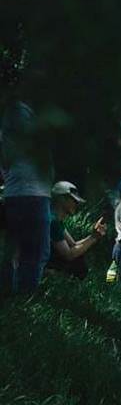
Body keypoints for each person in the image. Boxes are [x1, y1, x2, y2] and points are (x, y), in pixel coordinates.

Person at [1, 101, 54, 294]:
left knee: (18, 248)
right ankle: (24, 298)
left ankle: (11, 295)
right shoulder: (19, 113)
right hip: (33, 194)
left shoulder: (7, 135)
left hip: (18, 193)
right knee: (35, 250)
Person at [46, 181, 106, 280]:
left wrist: (94, 235)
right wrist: (92, 238)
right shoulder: (52, 222)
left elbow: (73, 245)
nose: (76, 204)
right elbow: (68, 255)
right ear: (61, 199)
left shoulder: (57, 221)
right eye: (73, 200)